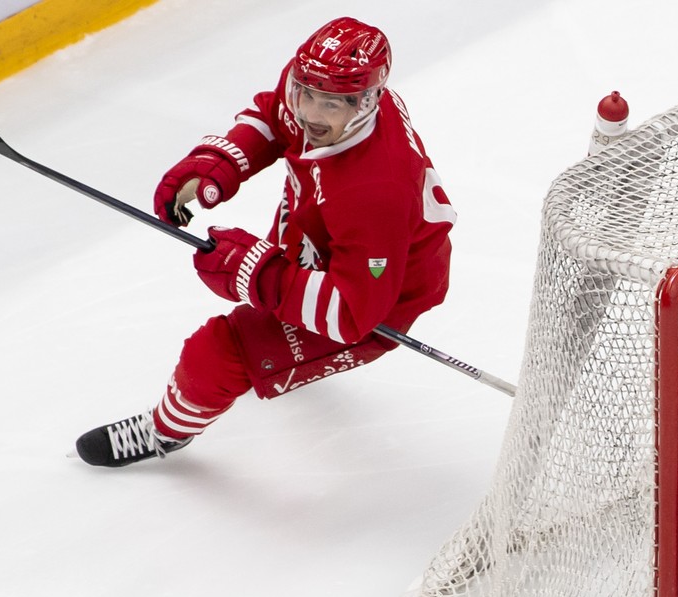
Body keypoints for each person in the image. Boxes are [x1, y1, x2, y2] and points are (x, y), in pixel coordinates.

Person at [75, 16, 455, 467]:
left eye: (330, 105)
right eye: (305, 93)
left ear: (367, 102)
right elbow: (275, 114)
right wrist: (217, 164)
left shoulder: (374, 193)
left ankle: (165, 432)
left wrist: (254, 272)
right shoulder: (322, 91)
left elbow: (351, 313)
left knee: (219, 351)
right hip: (322, 235)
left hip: (377, 293)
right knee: (273, 294)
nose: (310, 114)